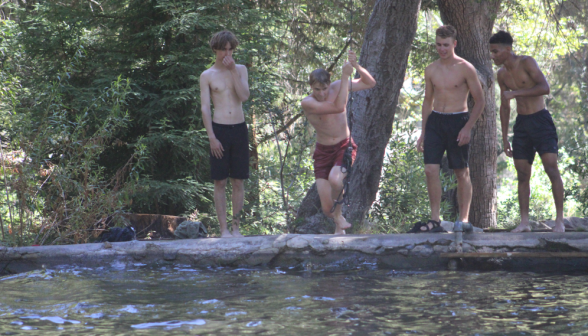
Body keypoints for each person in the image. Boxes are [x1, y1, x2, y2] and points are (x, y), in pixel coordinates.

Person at [412, 25, 485, 233]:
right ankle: (435, 219)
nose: (441, 49)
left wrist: (468, 127)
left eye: (445, 45)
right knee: (430, 169)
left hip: (458, 120)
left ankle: (463, 219)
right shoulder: (431, 69)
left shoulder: (465, 68)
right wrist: (423, 132)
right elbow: (427, 101)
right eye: (438, 45)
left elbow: (479, 101)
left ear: (454, 44)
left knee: (461, 172)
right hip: (436, 121)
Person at [490, 30, 565, 233]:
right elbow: (504, 105)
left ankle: (560, 220)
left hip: (541, 120)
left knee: (551, 167)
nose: (493, 56)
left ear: (508, 49)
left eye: (496, 51)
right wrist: (505, 137)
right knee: (522, 174)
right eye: (491, 52)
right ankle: (524, 223)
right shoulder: (502, 75)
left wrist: (516, 93)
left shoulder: (527, 63)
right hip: (521, 125)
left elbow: (544, 87)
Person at [301, 50, 376, 235]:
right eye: (317, 89)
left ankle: (340, 217)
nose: (321, 93)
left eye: (324, 88)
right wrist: (345, 77)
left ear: (329, 83)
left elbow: (370, 82)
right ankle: (338, 226)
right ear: (311, 88)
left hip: (344, 145)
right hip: (322, 152)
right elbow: (337, 107)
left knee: (336, 180)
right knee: (327, 209)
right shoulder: (308, 102)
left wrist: (356, 67)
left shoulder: (337, 87)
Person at [200, 30, 250, 238]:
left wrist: (233, 72)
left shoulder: (240, 69)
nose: (227, 53)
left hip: (239, 128)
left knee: (238, 180)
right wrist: (211, 136)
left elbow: (244, 96)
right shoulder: (207, 75)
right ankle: (224, 230)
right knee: (220, 181)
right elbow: (205, 108)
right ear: (215, 50)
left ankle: (236, 227)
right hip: (219, 129)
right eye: (223, 50)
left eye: (230, 49)